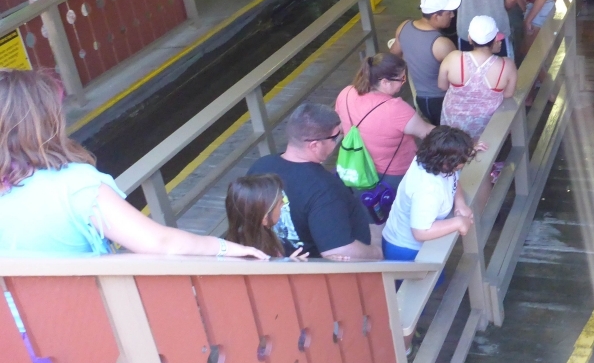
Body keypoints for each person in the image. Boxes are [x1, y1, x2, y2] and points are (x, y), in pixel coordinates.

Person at [0, 68, 266, 259]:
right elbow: (160, 243)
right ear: (44, 122)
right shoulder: (75, 186)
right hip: (82, 313)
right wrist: (226, 247)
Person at [248, 103, 380, 260]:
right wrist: (378, 253)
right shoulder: (325, 188)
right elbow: (339, 251)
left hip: (277, 260)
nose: (339, 141)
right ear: (314, 145)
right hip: (314, 268)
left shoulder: (260, 166)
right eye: (335, 137)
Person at [336, 53, 433, 192]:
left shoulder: (346, 93)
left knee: (366, 203)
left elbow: (341, 127)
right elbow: (427, 133)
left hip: (357, 170)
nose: (403, 83)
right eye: (402, 79)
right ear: (385, 82)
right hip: (394, 176)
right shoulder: (396, 109)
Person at [381, 126, 477, 260]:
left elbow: (453, 179)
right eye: (461, 160)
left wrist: (460, 202)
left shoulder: (430, 159)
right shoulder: (428, 190)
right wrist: (459, 222)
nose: (465, 161)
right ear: (447, 162)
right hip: (407, 251)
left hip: (420, 244)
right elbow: (420, 232)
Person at [438, 15, 518, 140]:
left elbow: (442, 86)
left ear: (470, 38)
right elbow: (508, 94)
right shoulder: (506, 65)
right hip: (486, 127)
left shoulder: (453, 58)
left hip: (453, 127)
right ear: (495, 39)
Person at [390, 0, 459, 124]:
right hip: (443, 102)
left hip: (421, 101)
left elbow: (394, 54)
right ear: (436, 16)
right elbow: (460, 78)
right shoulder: (442, 44)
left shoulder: (403, 27)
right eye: (448, 12)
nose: (452, 15)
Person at [225, 174, 308, 259]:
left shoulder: (233, 244)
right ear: (265, 219)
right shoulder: (255, 257)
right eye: (280, 203)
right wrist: (287, 265)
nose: (284, 204)